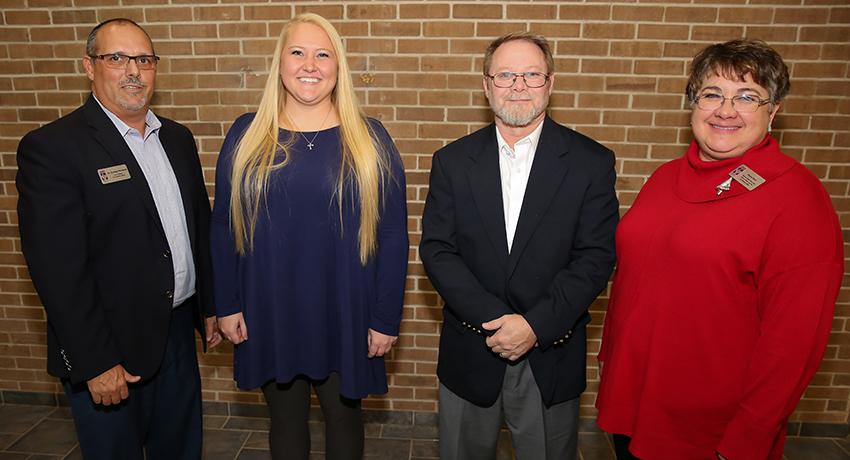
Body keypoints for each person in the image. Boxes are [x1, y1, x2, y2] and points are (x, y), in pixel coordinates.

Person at [596, 39, 844, 460]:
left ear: (773, 111)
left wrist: (747, 439)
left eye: (746, 97)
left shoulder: (798, 200)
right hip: (635, 403)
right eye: (712, 94)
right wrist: (610, 357)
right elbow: (634, 278)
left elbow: (794, 345)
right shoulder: (665, 178)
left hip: (710, 431)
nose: (725, 110)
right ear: (693, 104)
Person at [15, 18, 220, 460]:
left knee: (181, 450)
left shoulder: (177, 139)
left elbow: (197, 228)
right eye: (117, 58)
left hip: (176, 337)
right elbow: (58, 271)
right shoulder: (53, 148)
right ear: (89, 67)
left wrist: (208, 306)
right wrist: (95, 362)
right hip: (110, 348)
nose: (133, 71)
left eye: (144, 60)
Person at [211, 13, 408, 460]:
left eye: (323, 54)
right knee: (284, 422)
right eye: (298, 52)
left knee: (344, 420)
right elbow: (223, 224)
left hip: (347, 310)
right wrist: (227, 303)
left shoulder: (371, 138)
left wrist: (385, 318)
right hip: (269, 307)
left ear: (339, 66)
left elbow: (394, 234)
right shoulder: (246, 134)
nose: (310, 65)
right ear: (280, 63)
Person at [420, 32, 619, 460]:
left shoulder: (591, 162)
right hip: (472, 346)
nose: (518, 86)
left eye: (532, 75)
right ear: (486, 85)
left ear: (550, 83)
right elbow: (437, 251)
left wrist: (533, 325)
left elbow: (595, 257)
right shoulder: (451, 162)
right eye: (506, 75)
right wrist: (496, 321)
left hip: (550, 349)